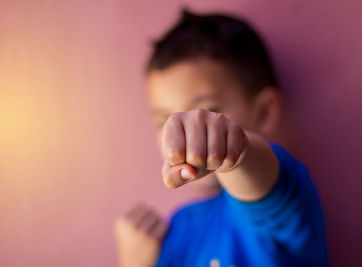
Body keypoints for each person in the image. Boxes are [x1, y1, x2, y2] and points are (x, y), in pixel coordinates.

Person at [114, 9, 328, 267]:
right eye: (164, 120)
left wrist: (234, 153)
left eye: (208, 112)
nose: (182, 131)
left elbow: (254, 168)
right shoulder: (176, 228)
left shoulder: (286, 199)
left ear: (265, 112)